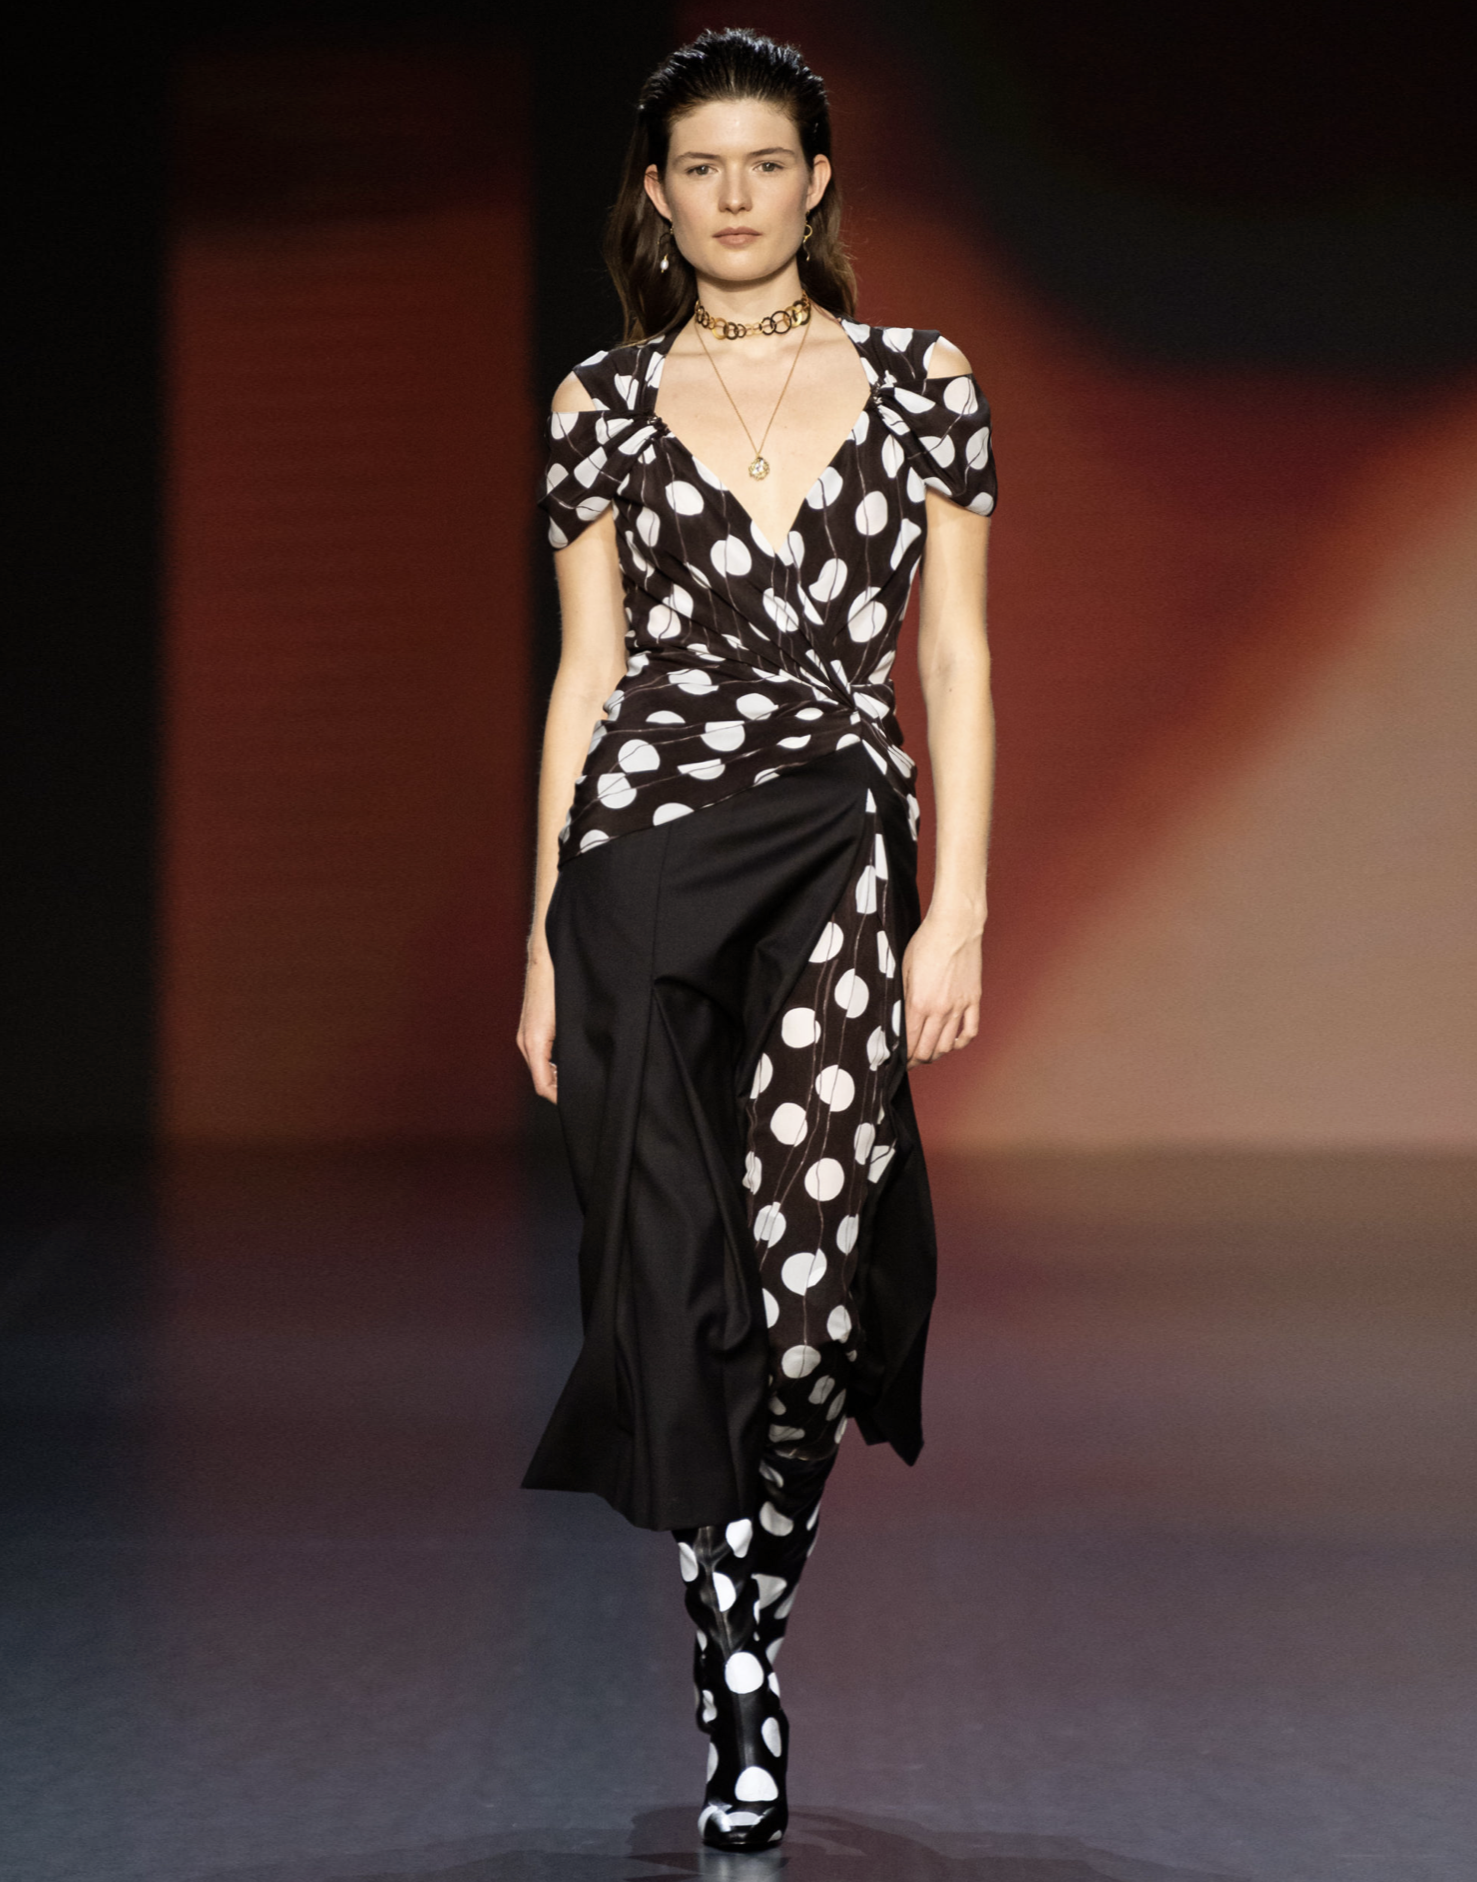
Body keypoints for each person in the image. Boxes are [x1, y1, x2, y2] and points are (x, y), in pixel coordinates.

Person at [516, 26, 995, 1854]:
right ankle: (739, 1682)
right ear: (657, 195)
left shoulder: (924, 381)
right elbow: (588, 674)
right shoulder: (599, 403)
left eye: (765, 163)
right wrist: (540, 942)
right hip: (640, 861)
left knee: (804, 1315)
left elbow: (953, 656)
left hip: (837, 860)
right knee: (676, 1289)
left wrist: (958, 901)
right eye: (699, 168)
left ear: (819, 183)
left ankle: (747, 1638)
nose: (734, 196)